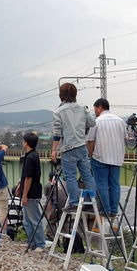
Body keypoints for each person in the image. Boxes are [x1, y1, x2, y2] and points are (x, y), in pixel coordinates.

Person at [51, 82, 96, 212]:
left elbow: (57, 133)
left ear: (61, 96)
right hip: (82, 146)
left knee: (70, 177)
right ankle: (91, 201)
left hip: (68, 148)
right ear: (75, 94)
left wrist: (54, 150)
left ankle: (74, 203)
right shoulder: (82, 108)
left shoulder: (58, 112)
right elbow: (92, 122)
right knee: (87, 175)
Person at [86, 98, 126, 217]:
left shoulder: (96, 121)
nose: (95, 112)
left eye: (95, 109)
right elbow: (125, 138)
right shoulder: (120, 121)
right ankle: (114, 210)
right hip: (117, 157)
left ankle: (105, 210)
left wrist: (90, 154)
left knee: (101, 184)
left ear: (99, 107)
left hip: (100, 157)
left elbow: (90, 140)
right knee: (114, 184)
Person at [16, 133, 46, 251]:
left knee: (34, 219)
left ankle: (40, 244)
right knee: (27, 220)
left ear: (26, 143)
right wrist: (20, 185)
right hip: (31, 191)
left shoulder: (30, 158)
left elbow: (29, 178)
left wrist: (24, 195)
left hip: (31, 193)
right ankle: (32, 242)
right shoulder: (33, 155)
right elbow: (25, 177)